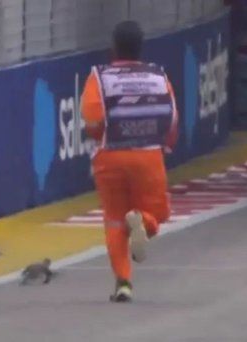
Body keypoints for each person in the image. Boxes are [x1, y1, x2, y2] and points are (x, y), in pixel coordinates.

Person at [80, 21, 178, 302]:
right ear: (140, 47)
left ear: (113, 47)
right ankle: (142, 223)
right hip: (148, 156)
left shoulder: (99, 78)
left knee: (113, 221)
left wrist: (104, 136)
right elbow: (171, 120)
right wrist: (164, 147)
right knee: (158, 213)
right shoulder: (158, 77)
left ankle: (123, 283)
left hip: (109, 157)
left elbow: (93, 121)